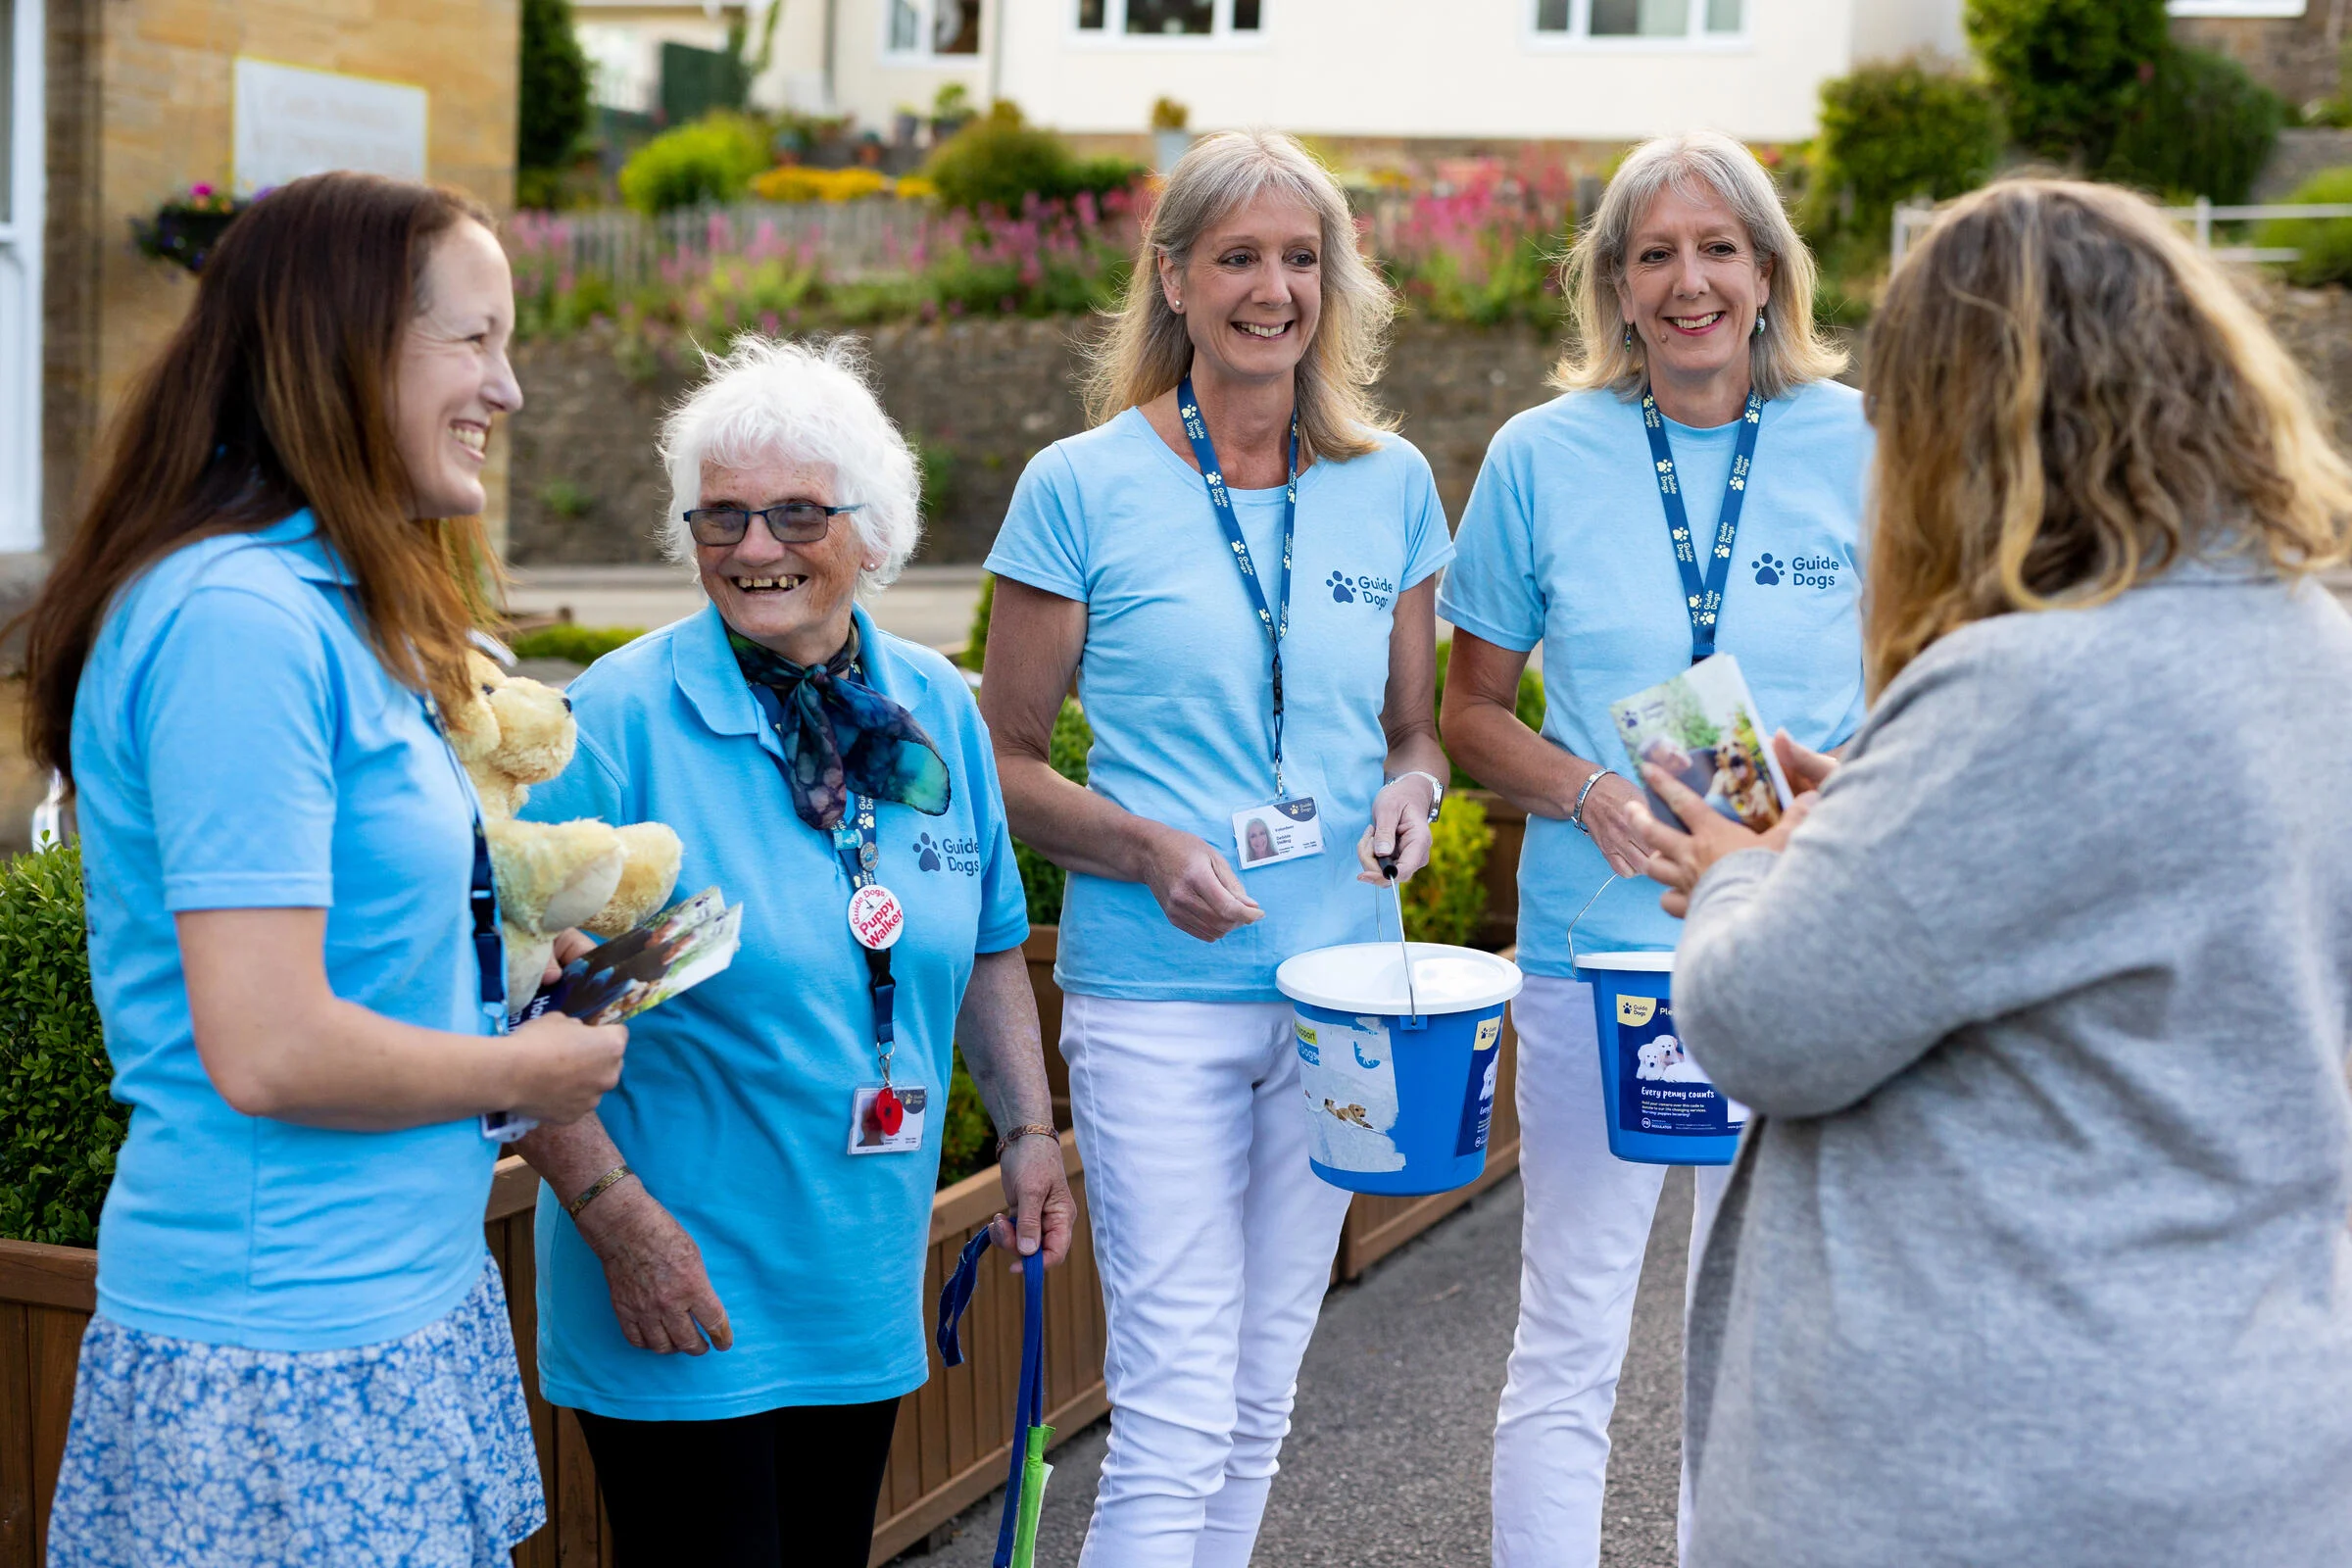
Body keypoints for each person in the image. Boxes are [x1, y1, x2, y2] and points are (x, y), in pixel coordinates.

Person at [1637, 176, 2352, 1568]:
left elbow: (1763, 1023)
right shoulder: (2314, 653)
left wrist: (1743, 872)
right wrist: (1860, 840)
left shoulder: (2025, 685)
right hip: (2258, 1442)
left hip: (2001, 1466)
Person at [25, 172, 628, 1565]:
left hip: (384, 1306)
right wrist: (519, 1077)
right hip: (281, 1344)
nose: (511, 389)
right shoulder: (235, 622)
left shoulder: (320, 606)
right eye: (474, 342)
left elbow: (353, 953)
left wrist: (511, 991)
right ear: (347, 349)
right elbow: (271, 1048)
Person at [514, 335, 1076, 1568]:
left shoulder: (935, 714)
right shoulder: (610, 726)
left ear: (870, 528)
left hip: (856, 1273)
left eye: (795, 514)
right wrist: (620, 1223)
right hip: (678, 1282)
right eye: (721, 517)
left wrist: (1032, 1132)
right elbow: (512, 1012)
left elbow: (986, 949)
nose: (755, 548)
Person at [981, 129, 1454, 1567]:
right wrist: (1142, 849)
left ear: (1335, 282)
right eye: (1239, 257)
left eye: (1300, 258)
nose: (1272, 288)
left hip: (1341, 1009)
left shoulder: (1393, 484)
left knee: (1260, 1399)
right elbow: (998, 770)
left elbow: (1416, 734)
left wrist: (1412, 799)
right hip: (1155, 999)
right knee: (1181, 1403)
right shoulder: (1079, 486)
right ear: (1174, 278)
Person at [1435, 129, 1869, 1567]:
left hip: (1797, 954)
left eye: (1717, 249)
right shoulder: (1537, 458)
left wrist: (1836, 797)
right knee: (1571, 1328)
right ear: (1616, 287)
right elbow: (1472, 709)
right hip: (1595, 958)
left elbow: (1934, 684)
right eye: (1654, 254)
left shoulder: (1864, 444)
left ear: (1767, 274)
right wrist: (1583, 793)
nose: (1689, 283)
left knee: (1746, 1342)